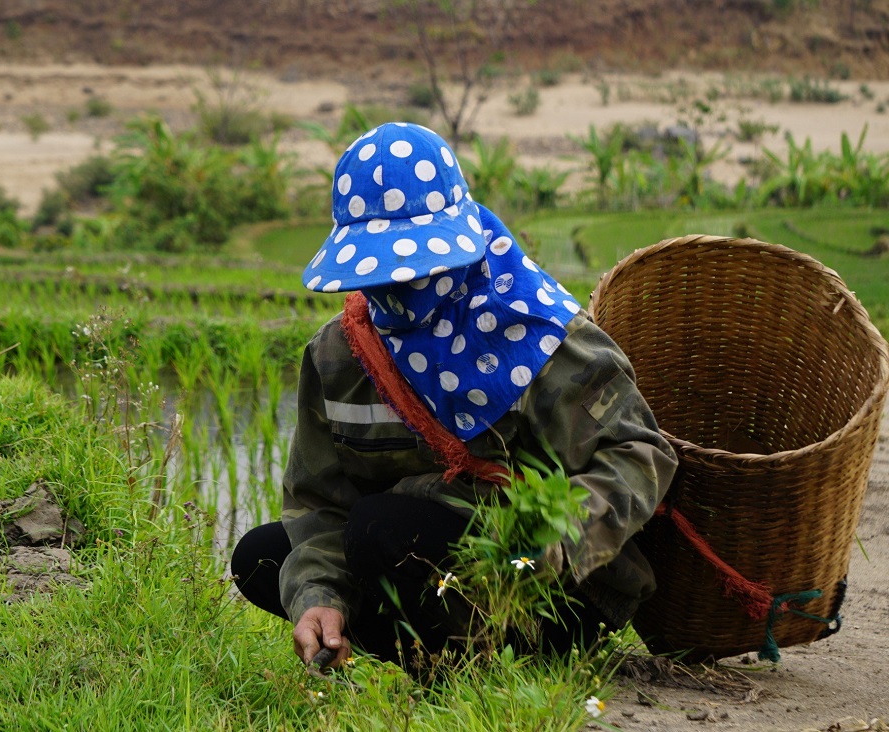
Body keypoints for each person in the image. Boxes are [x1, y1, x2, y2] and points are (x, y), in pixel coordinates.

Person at [230, 122, 677, 674]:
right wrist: (320, 597)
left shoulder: (538, 335)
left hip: (542, 582)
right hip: (414, 560)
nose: (396, 286)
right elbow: (321, 505)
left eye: (413, 266)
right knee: (263, 557)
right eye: (382, 269)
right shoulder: (337, 358)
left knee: (380, 527)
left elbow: (639, 454)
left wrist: (553, 538)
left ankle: (497, 661)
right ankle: (434, 662)